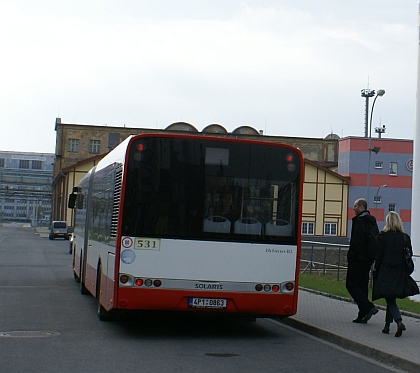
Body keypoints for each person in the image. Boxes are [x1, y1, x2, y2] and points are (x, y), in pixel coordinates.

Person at [372, 211, 420, 337]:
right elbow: (409, 255)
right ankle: (387, 326)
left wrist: (375, 271)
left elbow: (378, 257)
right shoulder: (405, 237)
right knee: (391, 297)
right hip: (399, 272)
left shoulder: (382, 237)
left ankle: (399, 321)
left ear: (387, 222)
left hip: (386, 271)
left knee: (389, 298)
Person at [346, 198, 379, 323]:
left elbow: (356, 242)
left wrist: (351, 256)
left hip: (358, 259)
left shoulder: (360, 221)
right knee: (362, 286)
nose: (353, 208)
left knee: (351, 284)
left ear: (361, 207)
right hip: (368, 260)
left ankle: (368, 307)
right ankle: (363, 313)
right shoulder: (371, 221)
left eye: (355, 206)